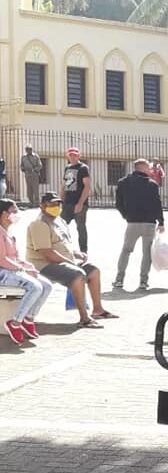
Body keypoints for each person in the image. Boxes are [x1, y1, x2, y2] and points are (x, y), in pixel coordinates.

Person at [26, 192, 116, 328]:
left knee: (93, 270)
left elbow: (64, 245)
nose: (56, 207)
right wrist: (70, 263)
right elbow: (47, 253)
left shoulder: (59, 221)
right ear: (42, 206)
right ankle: (84, 318)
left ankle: (98, 310)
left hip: (64, 262)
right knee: (78, 275)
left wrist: (77, 254)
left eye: (58, 204)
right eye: (51, 204)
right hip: (44, 265)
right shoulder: (39, 224)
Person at [0, 199, 52, 344]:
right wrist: (22, 270)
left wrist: (30, 268)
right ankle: (15, 323)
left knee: (47, 285)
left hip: (13, 270)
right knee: (35, 286)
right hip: (3, 273)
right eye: (14, 211)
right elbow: (2, 260)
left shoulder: (9, 233)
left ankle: (28, 319)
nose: (17, 214)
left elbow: (16, 258)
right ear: (4, 214)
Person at [114, 159, 165, 291]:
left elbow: (118, 203)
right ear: (142, 168)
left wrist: (126, 215)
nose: (150, 170)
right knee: (147, 253)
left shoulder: (123, 182)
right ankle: (143, 281)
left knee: (126, 250)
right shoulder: (152, 185)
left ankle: (119, 280)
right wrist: (161, 221)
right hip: (149, 223)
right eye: (148, 167)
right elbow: (157, 204)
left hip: (132, 222)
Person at [60, 147, 91, 253]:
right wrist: (61, 200)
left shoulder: (83, 168)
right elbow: (65, 185)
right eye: (71, 155)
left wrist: (80, 203)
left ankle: (83, 251)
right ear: (68, 156)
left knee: (81, 228)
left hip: (79, 203)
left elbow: (87, 187)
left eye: (75, 155)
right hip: (68, 203)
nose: (73, 157)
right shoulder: (67, 168)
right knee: (61, 226)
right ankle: (62, 249)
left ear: (79, 156)